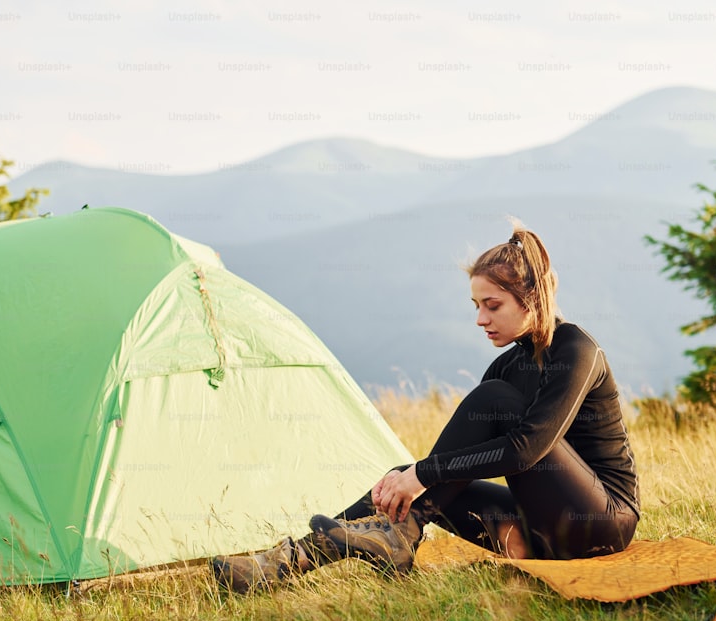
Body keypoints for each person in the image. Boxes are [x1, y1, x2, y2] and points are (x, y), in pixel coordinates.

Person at [212, 222, 640, 593]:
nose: (481, 319)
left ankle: (395, 535)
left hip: (601, 524)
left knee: (437, 459)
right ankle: (286, 561)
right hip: (540, 530)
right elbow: (466, 460)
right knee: (405, 477)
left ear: (533, 299)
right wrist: (409, 477)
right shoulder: (507, 365)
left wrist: (421, 474)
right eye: (476, 306)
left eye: (493, 306)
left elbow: (525, 450)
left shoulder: (576, 350)